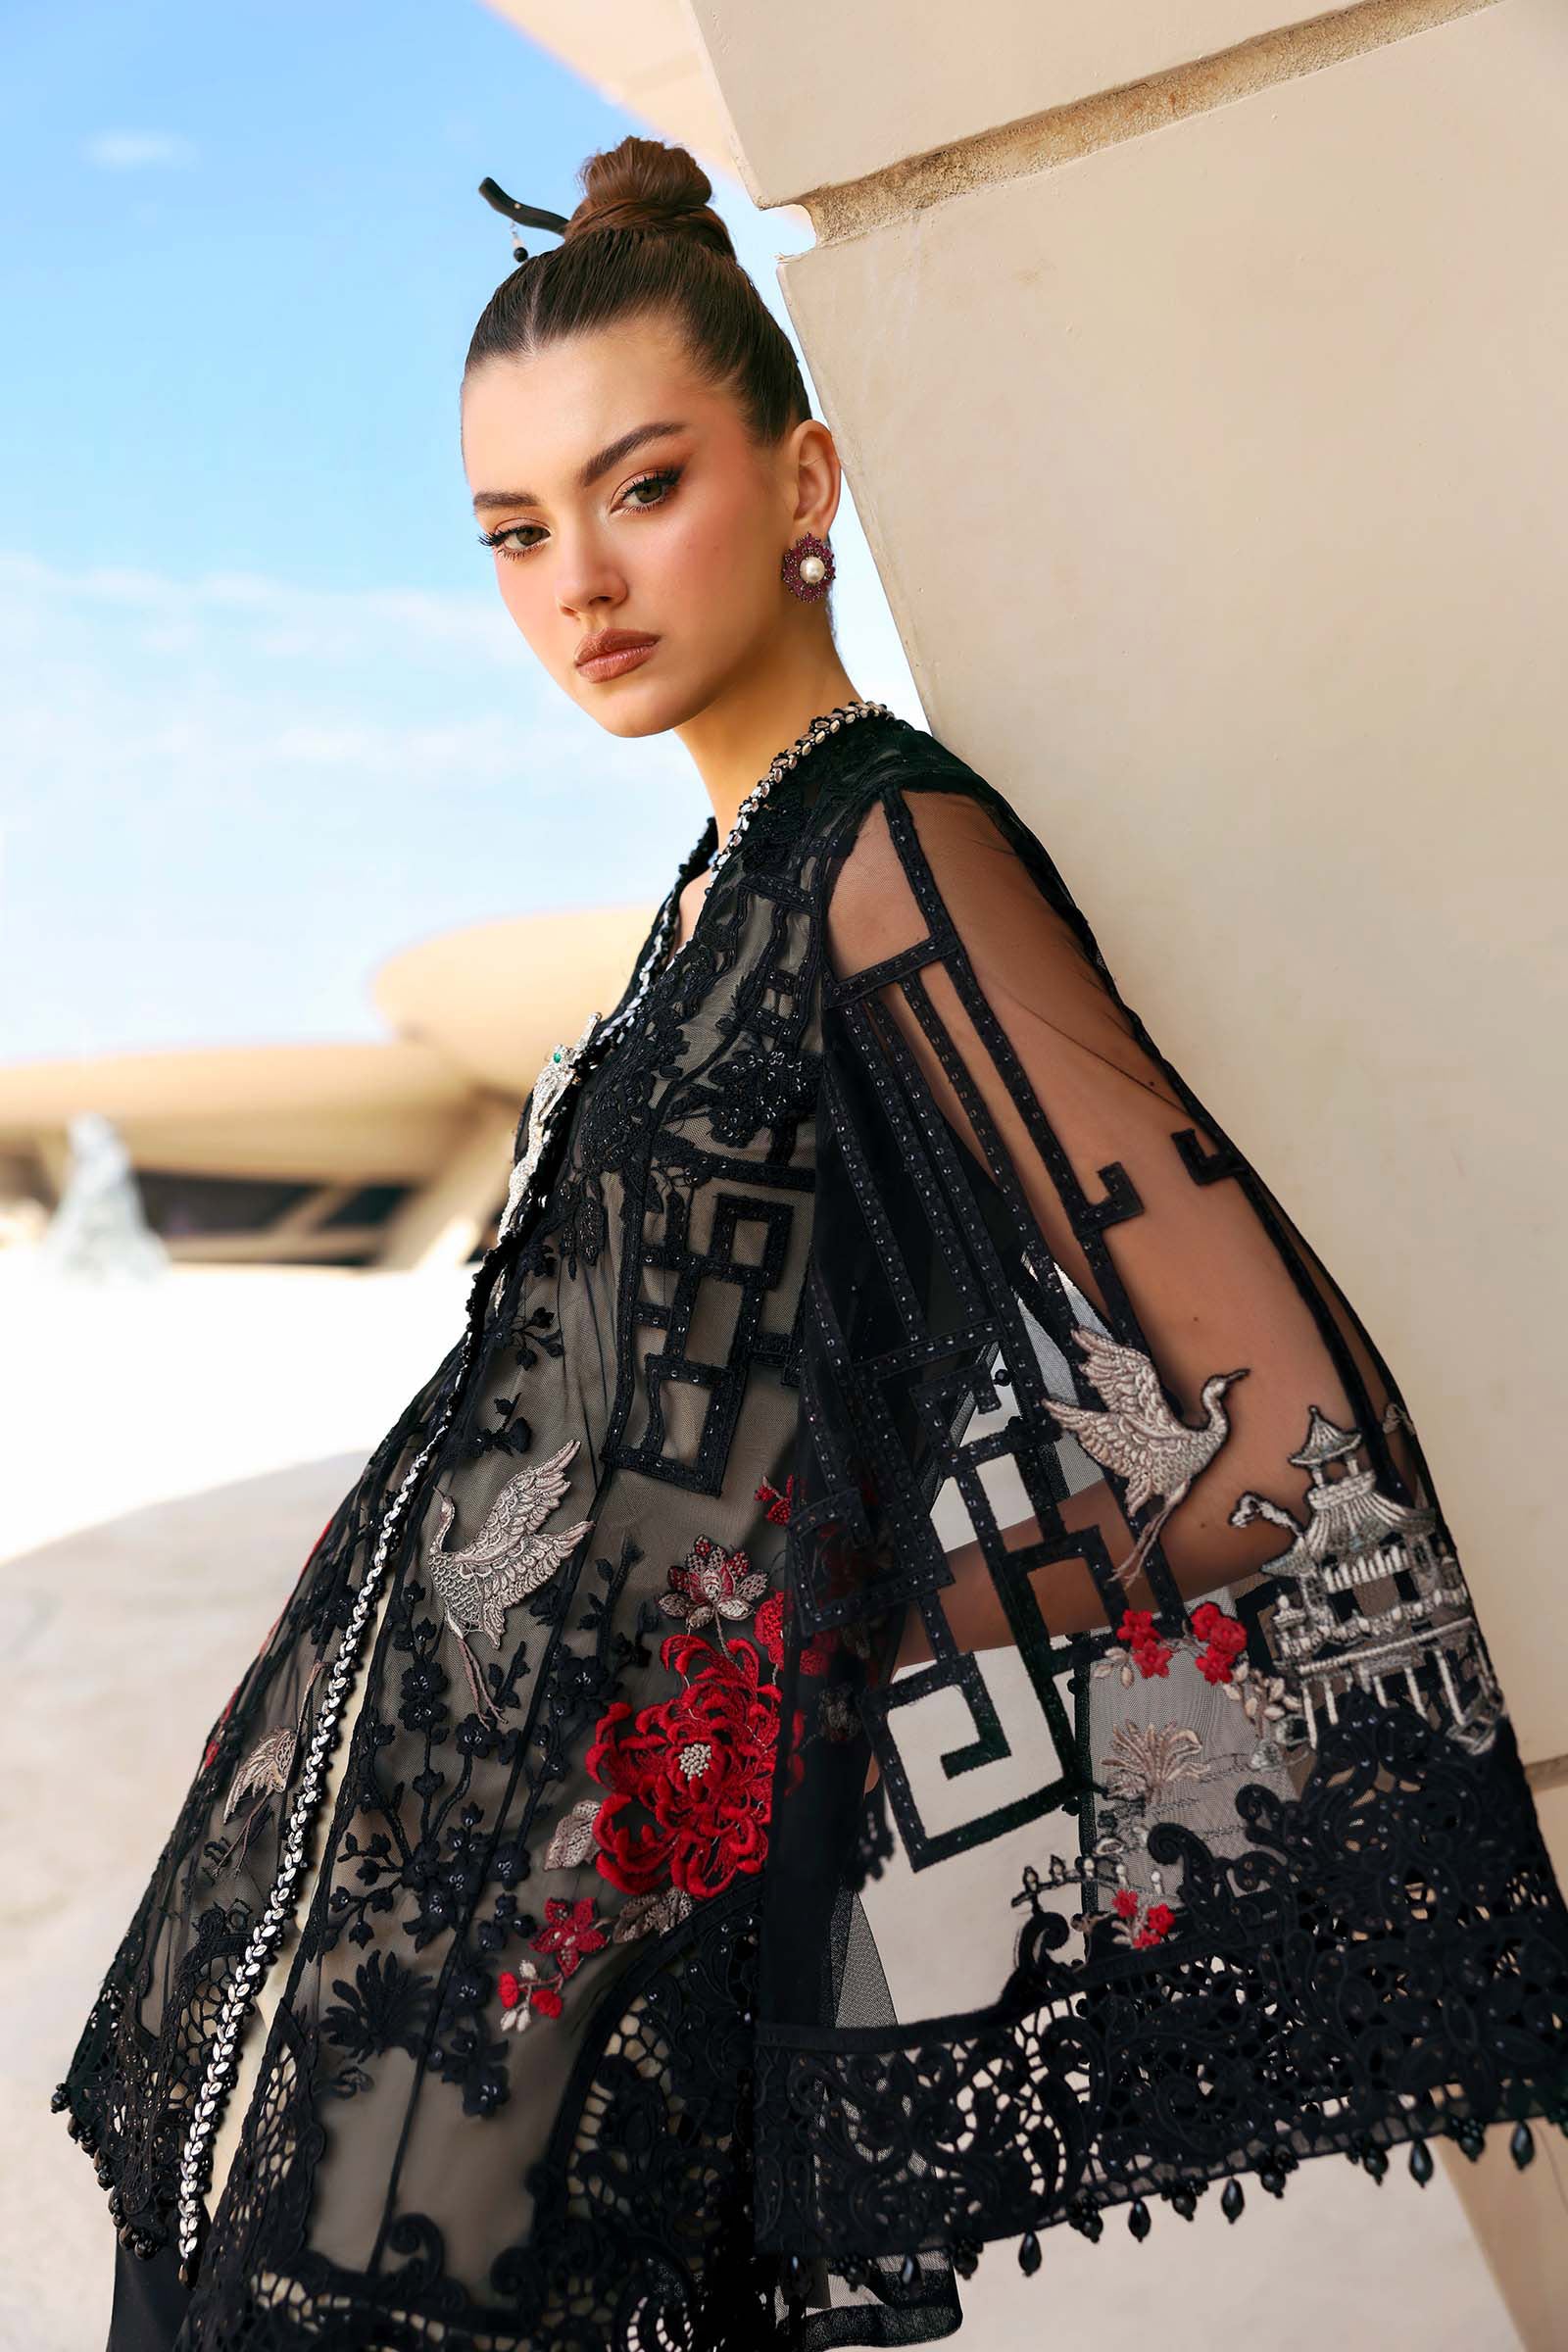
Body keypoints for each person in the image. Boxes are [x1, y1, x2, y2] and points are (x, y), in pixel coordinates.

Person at [58, 131, 1568, 2352]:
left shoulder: (888, 854)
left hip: (555, 2024)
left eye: (640, 486)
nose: (577, 581)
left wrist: (777, 1681)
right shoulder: (717, 895)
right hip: (379, 1997)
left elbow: (1277, 1449)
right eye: (513, 531)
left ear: (802, 481)